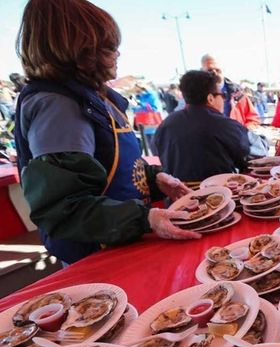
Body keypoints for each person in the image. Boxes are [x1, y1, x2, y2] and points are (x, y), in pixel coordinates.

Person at [14, 0, 199, 265]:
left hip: (124, 239)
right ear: (80, 50)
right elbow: (63, 208)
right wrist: (144, 218)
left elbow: (108, 166)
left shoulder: (97, 97)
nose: (117, 55)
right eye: (109, 47)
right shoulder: (59, 107)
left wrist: (154, 178)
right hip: (100, 255)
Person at [153, 71, 250, 185]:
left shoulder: (165, 124)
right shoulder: (222, 124)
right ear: (210, 98)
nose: (224, 99)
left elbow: (158, 153)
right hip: (220, 196)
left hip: (179, 198)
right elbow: (253, 151)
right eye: (222, 95)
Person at [200, 54, 260, 129]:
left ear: (223, 70)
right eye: (210, 71)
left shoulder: (238, 94)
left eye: (218, 70)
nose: (214, 73)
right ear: (202, 72)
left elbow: (253, 119)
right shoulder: (195, 97)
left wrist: (244, 131)